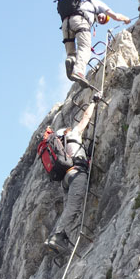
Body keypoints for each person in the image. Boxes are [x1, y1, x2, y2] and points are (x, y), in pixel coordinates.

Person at [44, 97, 99, 255]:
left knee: (70, 208)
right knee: (73, 208)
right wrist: (94, 102)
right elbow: (85, 119)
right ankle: (58, 236)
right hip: (77, 173)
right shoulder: (74, 134)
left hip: (66, 179)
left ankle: (64, 237)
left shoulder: (61, 145)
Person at [62, 0, 130, 88]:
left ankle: (70, 60)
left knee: (71, 54)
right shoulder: (98, 3)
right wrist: (126, 19)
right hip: (80, 21)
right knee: (84, 48)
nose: (102, 19)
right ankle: (79, 71)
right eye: (104, 17)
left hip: (65, 23)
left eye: (102, 22)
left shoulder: (82, 3)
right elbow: (115, 16)